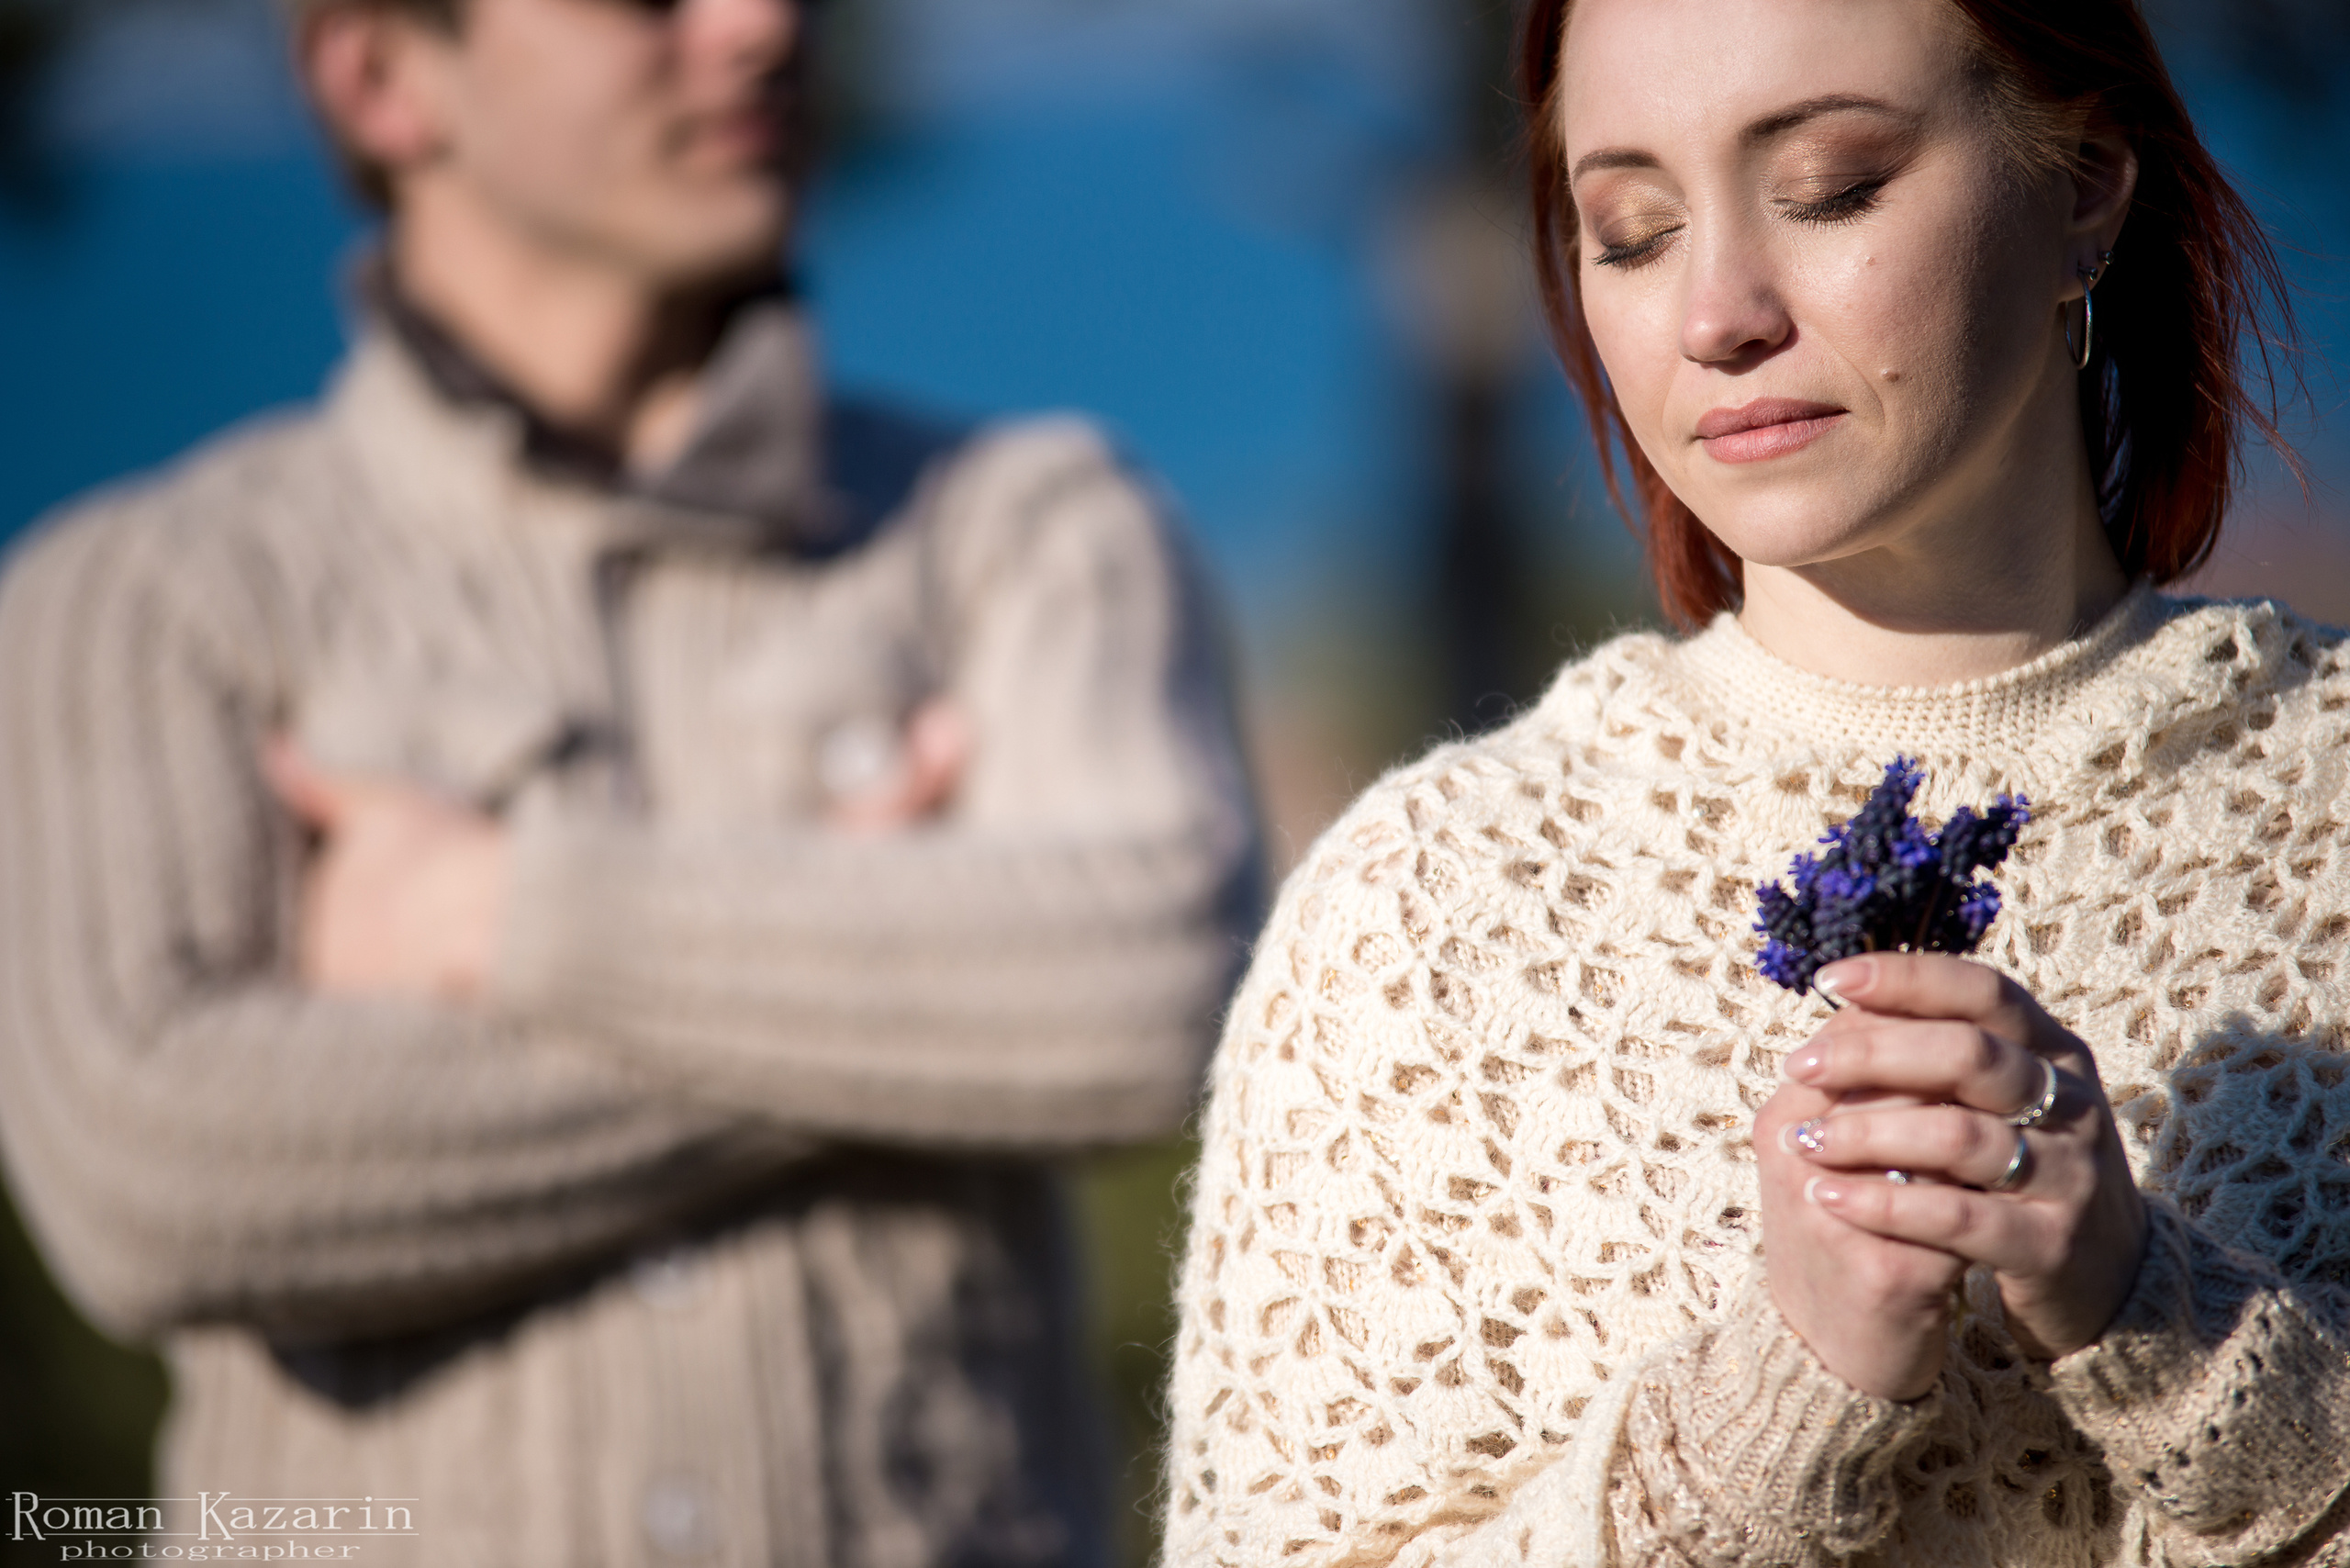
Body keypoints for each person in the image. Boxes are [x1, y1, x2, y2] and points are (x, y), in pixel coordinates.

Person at [0, 0, 1262, 1562]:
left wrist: (492, 912)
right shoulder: (140, 604)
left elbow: (1145, 997)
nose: (760, 25)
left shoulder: (1028, 526)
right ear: (379, 77)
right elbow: (157, 1181)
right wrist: (895, 981)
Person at [1159, 0, 2350, 1562]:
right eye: (1634, 232)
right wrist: (1761, 1413)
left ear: (2083, 186)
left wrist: (2165, 1321)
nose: (1717, 312)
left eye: (1829, 190)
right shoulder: (1426, 916)